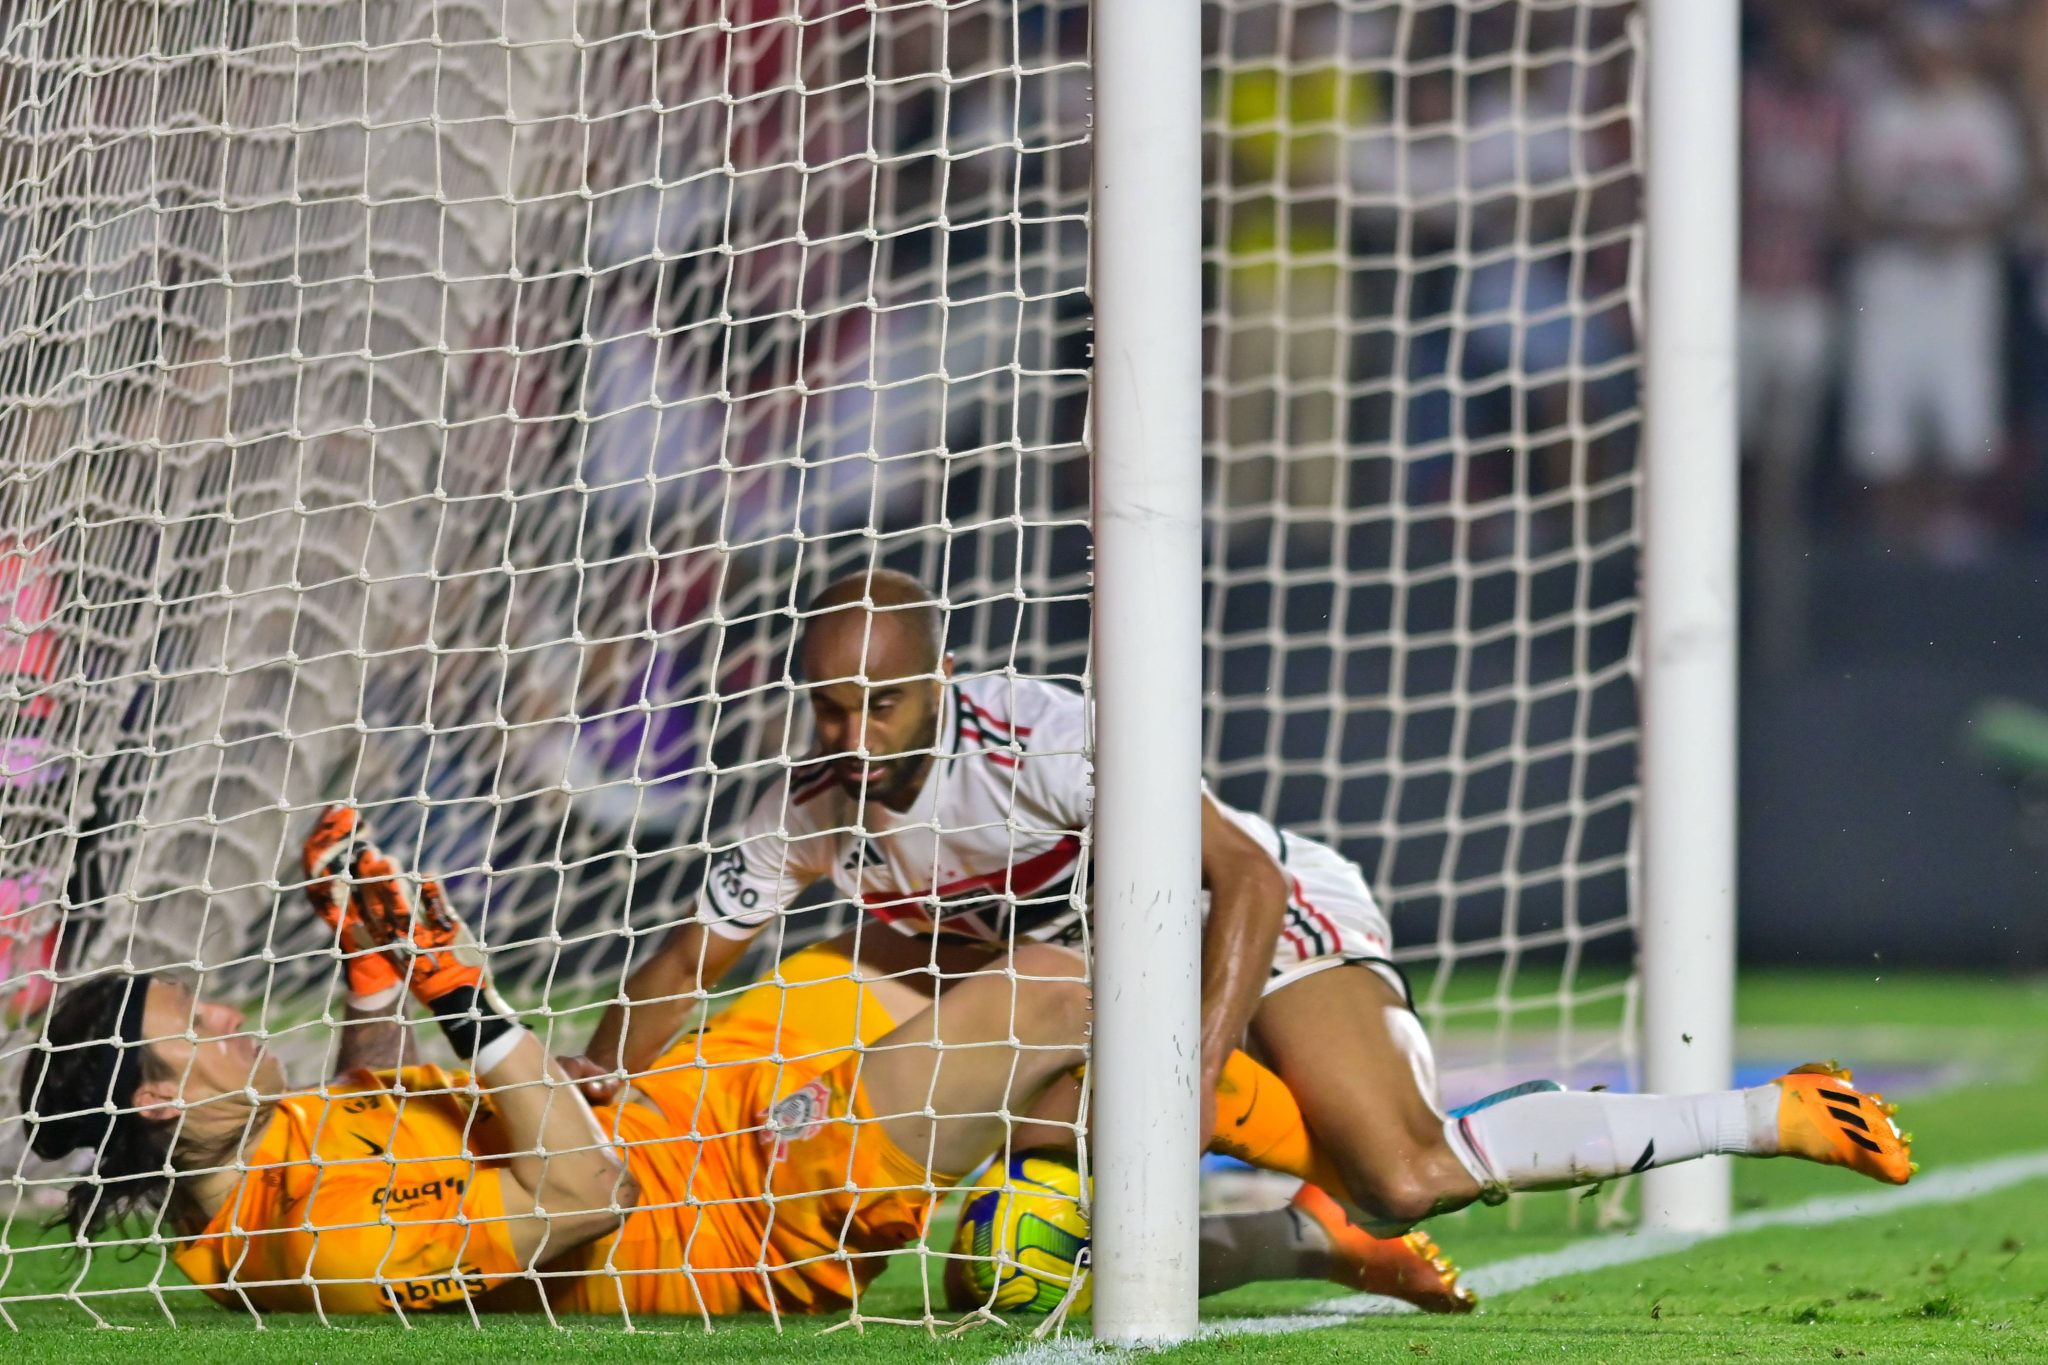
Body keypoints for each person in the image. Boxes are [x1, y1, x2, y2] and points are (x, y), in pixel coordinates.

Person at [571, 569, 1916, 1254]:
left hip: (1269, 924)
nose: (853, 733)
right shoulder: (811, 811)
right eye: (828, 706)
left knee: (1406, 1174)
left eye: (884, 704)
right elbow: (694, 958)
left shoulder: (1045, 742)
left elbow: (1247, 880)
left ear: (943, 683)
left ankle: (1767, 1109)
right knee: (942, 1077)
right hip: (1109, 981)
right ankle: (1303, 1236)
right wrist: (602, 1093)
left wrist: (1189, 1078)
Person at [16, 806, 1464, 1317]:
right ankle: (1379, 1164)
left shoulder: (275, 1154)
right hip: (745, 1209)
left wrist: (373, 938)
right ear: (154, 1100)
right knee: (1055, 992)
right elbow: (578, 1192)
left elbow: (377, 1092)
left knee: (1057, 1119)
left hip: (706, 1111)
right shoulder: (315, 1251)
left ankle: (1304, 1223)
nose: (225, 1021)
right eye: (193, 1028)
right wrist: (477, 1007)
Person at [1843, 10, 2028, 562]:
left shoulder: (1985, 116)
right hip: (1891, 284)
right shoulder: (1883, 112)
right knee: (1884, 413)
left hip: (1961, 286)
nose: (1929, 58)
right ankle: (1895, 536)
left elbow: (2012, 201)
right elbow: (1852, 197)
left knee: (1963, 412)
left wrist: (1961, 229)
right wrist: (1909, 227)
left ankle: (1946, 528)